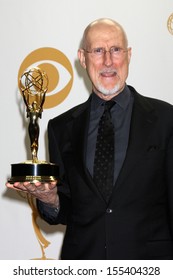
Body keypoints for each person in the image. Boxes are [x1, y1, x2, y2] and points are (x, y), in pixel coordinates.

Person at [6, 18, 173, 260]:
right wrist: (50, 199)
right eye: (98, 51)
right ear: (83, 58)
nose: (108, 61)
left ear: (129, 55)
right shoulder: (61, 127)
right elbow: (66, 210)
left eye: (115, 49)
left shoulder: (166, 119)